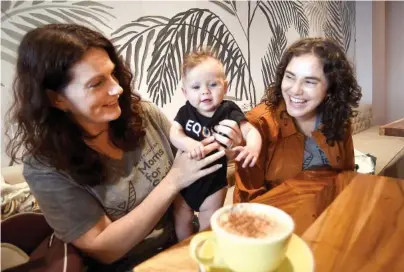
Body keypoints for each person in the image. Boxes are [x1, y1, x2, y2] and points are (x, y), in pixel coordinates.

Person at [5, 24, 243, 271]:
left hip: (182, 244)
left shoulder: (143, 116)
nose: (117, 88)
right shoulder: (45, 169)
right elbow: (105, 249)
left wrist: (227, 148)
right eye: (97, 83)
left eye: (113, 74)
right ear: (57, 99)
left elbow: (193, 164)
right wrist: (173, 181)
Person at [234, 37, 362, 203]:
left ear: (330, 89)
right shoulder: (258, 124)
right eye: (290, 77)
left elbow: (347, 176)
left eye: (309, 81)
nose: (295, 90)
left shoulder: (338, 118)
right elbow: (248, 201)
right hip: (277, 219)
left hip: (329, 212)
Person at [169, 49, 262, 240]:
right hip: (186, 180)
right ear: (185, 92)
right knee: (181, 216)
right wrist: (186, 142)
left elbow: (250, 131)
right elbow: (174, 132)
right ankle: (184, 249)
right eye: (196, 87)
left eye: (212, 84)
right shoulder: (186, 112)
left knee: (208, 223)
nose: (205, 91)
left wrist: (252, 147)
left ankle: (204, 249)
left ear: (225, 87)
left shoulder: (229, 110)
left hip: (214, 182)